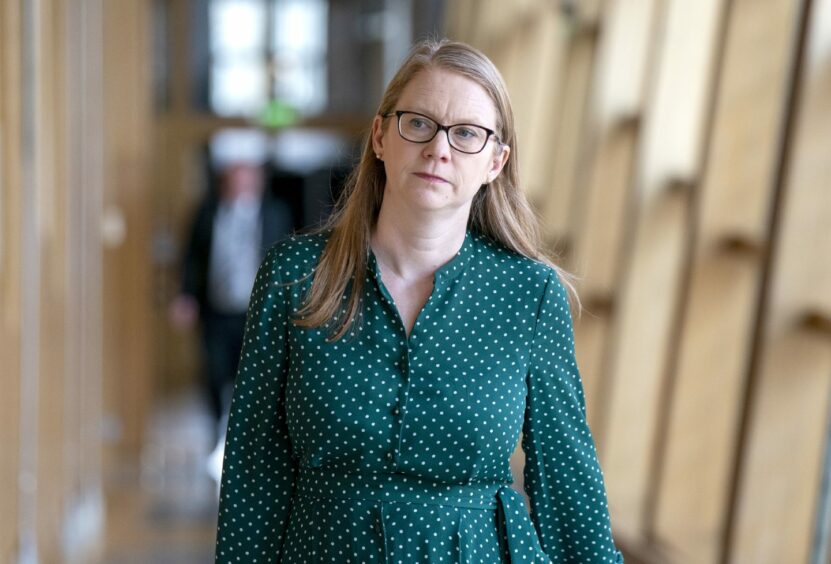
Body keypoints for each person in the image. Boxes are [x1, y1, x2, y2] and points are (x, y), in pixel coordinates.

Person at [215, 39, 623, 563]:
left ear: (496, 161)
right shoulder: (294, 276)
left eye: (467, 134)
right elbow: (255, 470)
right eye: (420, 124)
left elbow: (567, 479)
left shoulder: (529, 296)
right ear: (382, 136)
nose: (439, 149)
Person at [169, 128, 294, 445]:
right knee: (213, 371)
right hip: (216, 308)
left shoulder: (275, 213)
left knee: (253, 374)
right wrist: (185, 295)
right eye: (234, 178)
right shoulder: (207, 212)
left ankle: (249, 433)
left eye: (246, 177)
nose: (240, 184)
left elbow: (287, 259)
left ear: (256, 181)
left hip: (257, 310)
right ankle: (215, 429)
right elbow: (191, 257)